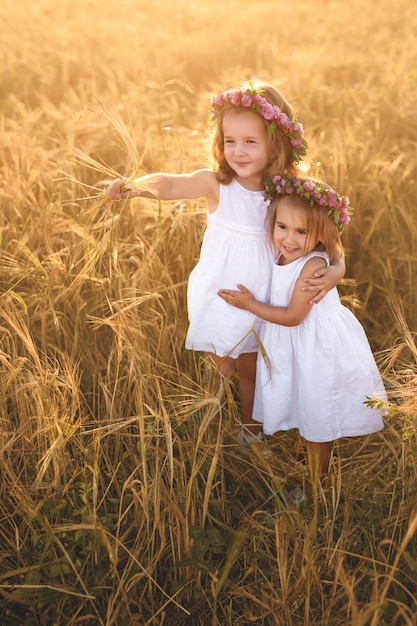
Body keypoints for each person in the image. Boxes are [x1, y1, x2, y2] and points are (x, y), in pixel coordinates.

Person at [106, 79, 346, 439]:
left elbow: (329, 241)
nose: (239, 152)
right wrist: (133, 186)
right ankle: (205, 437)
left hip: (266, 299)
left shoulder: (290, 193)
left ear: (276, 144)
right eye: (230, 141)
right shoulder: (215, 184)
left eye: (251, 142)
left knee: (253, 368)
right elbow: (171, 184)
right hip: (223, 295)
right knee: (218, 367)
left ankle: (251, 433)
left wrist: (337, 271)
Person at [218, 175, 386, 502]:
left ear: (320, 234)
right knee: (303, 403)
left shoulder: (312, 266)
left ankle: (316, 488)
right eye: (283, 227)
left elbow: (294, 317)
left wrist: (250, 304)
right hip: (292, 345)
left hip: (315, 349)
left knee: (317, 414)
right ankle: (311, 469)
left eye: (301, 231)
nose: (289, 239)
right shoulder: (279, 251)